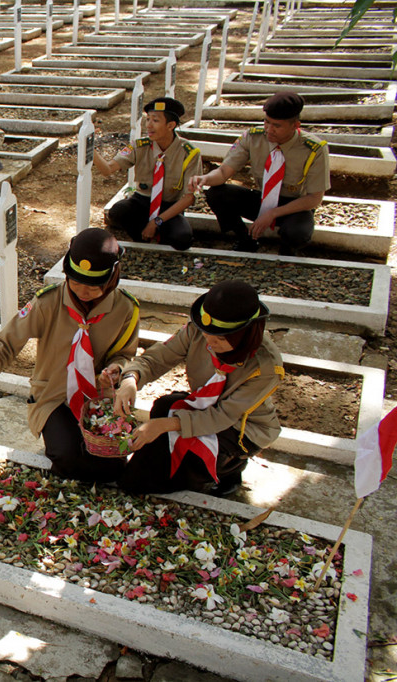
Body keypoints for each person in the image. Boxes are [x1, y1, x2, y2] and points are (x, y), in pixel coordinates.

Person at [0, 228, 140, 483]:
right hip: (53, 396)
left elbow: (124, 354)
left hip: (98, 398)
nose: (82, 291)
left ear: (112, 279)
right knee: (67, 455)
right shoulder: (48, 303)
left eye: (93, 287)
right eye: (76, 281)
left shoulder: (126, 309)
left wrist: (116, 371)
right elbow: (6, 343)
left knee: (112, 467)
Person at [113, 280, 284, 497]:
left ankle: (230, 466)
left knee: (184, 468)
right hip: (204, 406)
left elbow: (223, 416)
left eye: (220, 339)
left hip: (239, 427)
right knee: (135, 476)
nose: (209, 344)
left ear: (244, 335)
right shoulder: (199, 331)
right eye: (206, 334)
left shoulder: (266, 366)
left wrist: (164, 425)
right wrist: (131, 378)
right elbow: (158, 358)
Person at [187, 92, 330, 256]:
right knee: (217, 193)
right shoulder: (253, 137)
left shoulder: (314, 149)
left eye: (277, 126)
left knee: (298, 232)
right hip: (262, 199)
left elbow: (314, 198)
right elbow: (224, 171)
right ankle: (245, 239)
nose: (269, 129)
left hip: (294, 205)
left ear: (295, 125)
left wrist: (273, 213)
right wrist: (204, 179)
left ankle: (287, 251)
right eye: (266, 122)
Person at [93, 97, 201, 251]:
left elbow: (189, 198)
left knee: (183, 239)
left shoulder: (189, 153)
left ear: (171, 125)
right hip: (142, 202)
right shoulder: (140, 146)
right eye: (147, 119)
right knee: (118, 211)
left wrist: (156, 222)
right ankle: (141, 238)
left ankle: (157, 235)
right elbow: (107, 169)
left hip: (168, 207)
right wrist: (90, 150)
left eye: (155, 121)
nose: (149, 125)